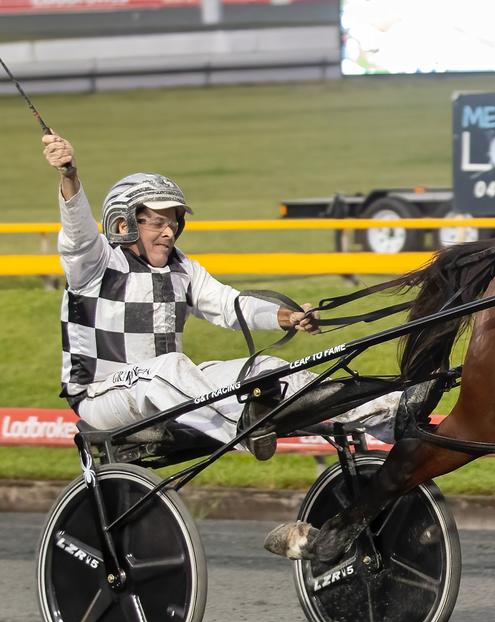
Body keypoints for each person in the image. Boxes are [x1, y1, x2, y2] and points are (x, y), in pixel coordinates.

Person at [43, 132, 399, 459]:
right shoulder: (95, 262)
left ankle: (389, 415)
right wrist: (69, 175)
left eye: (175, 222)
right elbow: (77, 234)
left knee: (265, 370)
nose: (170, 232)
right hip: (101, 398)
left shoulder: (182, 269)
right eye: (158, 222)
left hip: (164, 388)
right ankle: (242, 429)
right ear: (123, 224)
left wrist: (286, 316)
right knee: (168, 368)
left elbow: (231, 305)